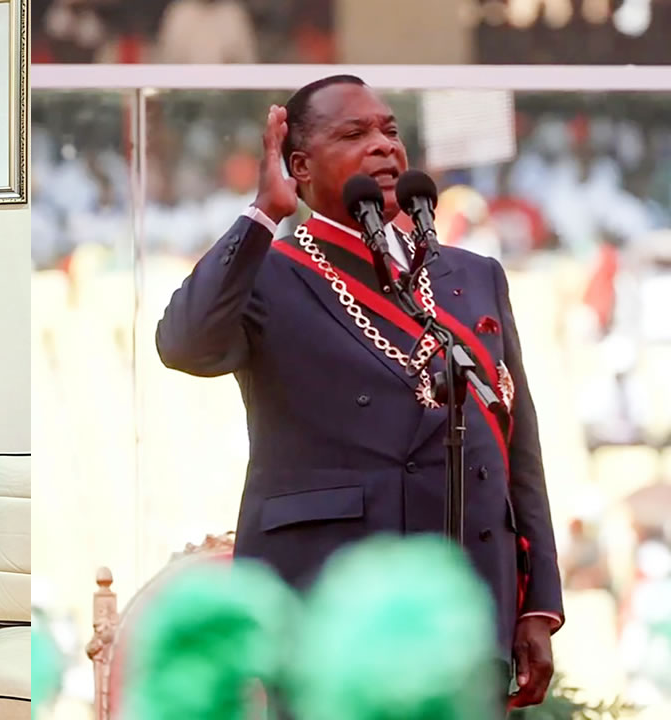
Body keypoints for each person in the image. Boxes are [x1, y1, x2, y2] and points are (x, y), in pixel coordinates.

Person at [154, 75, 564, 709]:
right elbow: (183, 343)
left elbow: (518, 448)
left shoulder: (473, 276)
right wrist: (264, 212)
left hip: (467, 609)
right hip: (323, 613)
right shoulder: (265, 273)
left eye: (390, 131)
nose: (383, 146)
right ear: (300, 166)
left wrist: (536, 606)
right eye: (354, 134)